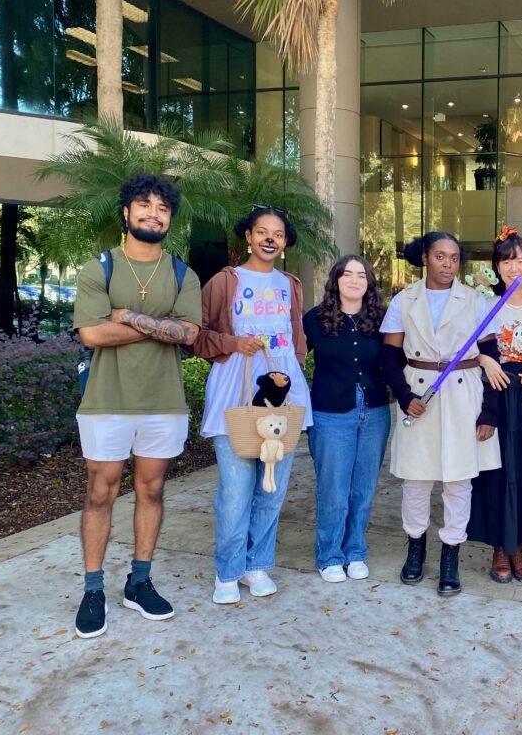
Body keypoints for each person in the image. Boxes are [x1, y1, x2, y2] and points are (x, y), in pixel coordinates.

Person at [72, 174, 202, 639]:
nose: (153, 213)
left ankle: (139, 582)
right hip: (106, 402)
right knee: (100, 493)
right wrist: (160, 324)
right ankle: (92, 590)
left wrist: (125, 316)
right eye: (144, 204)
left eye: (163, 208)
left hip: (163, 403)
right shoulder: (99, 269)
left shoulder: (183, 274)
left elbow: (189, 334)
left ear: (170, 219)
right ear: (125, 213)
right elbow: (92, 334)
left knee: (152, 491)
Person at [192, 205, 312, 605]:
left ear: (284, 241)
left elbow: (296, 340)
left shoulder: (290, 284)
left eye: (277, 234)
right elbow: (198, 336)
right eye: (262, 231)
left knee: (271, 487)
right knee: (235, 490)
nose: (269, 239)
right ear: (248, 236)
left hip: (283, 393)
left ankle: (255, 564)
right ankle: (227, 571)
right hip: (235, 393)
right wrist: (233, 344)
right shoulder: (225, 282)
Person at [380, 232, 501, 597]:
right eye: (440, 256)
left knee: (458, 481)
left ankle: (451, 555)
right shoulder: (404, 300)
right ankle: (415, 547)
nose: (447, 264)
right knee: (416, 481)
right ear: (425, 259)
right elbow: (389, 355)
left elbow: (491, 353)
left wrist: (489, 412)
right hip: (419, 391)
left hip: (464, 392)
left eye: (453, 257)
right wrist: (403, 395)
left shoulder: (475, 300)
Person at [468, 228, 522, 584]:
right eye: (506, 260)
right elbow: (459, 344)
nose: (514, 265)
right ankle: (498, 548)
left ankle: (518, 547)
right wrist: (484, 361)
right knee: (496, 471)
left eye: (520, 258)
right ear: (496, 267)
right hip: (495, 394)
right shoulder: (483, 304)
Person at [304, 255, 391, 584]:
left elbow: (396, 362)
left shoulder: (382, 320)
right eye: (347, 274)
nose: (354, 280)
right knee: (333, 491)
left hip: (375, 412)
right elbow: (290, 358)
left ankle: (355, 551)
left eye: (361, 275)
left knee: (364, 489)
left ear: (368, 282)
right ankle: (329, 555)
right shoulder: (315, 319)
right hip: (329, 413)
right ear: (336, 280)